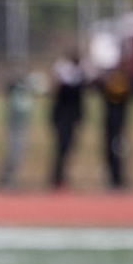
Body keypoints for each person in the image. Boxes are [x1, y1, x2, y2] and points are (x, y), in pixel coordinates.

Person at [95, 57, 133, 189]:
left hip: (118, 121)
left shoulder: (123, 80)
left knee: (116, 150)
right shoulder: (113, 80)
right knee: (112, 150)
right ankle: (114, 179)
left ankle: (117, 179)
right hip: (113, 120)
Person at [0, 68, 39, 188]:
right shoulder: (14, 91)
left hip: (22, 125)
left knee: (20, 154)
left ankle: (13, 179)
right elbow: (7, 88)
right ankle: (6, 179)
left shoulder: (27, 91)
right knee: (12, 154)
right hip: (13, 125)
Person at [47, 52, 84, 188]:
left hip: (71, 118)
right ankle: (57, 178)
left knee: (68, 149)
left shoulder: (78, 78)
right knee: (61, 148)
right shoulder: (66, 81)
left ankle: (61, 177)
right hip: (62, 119)